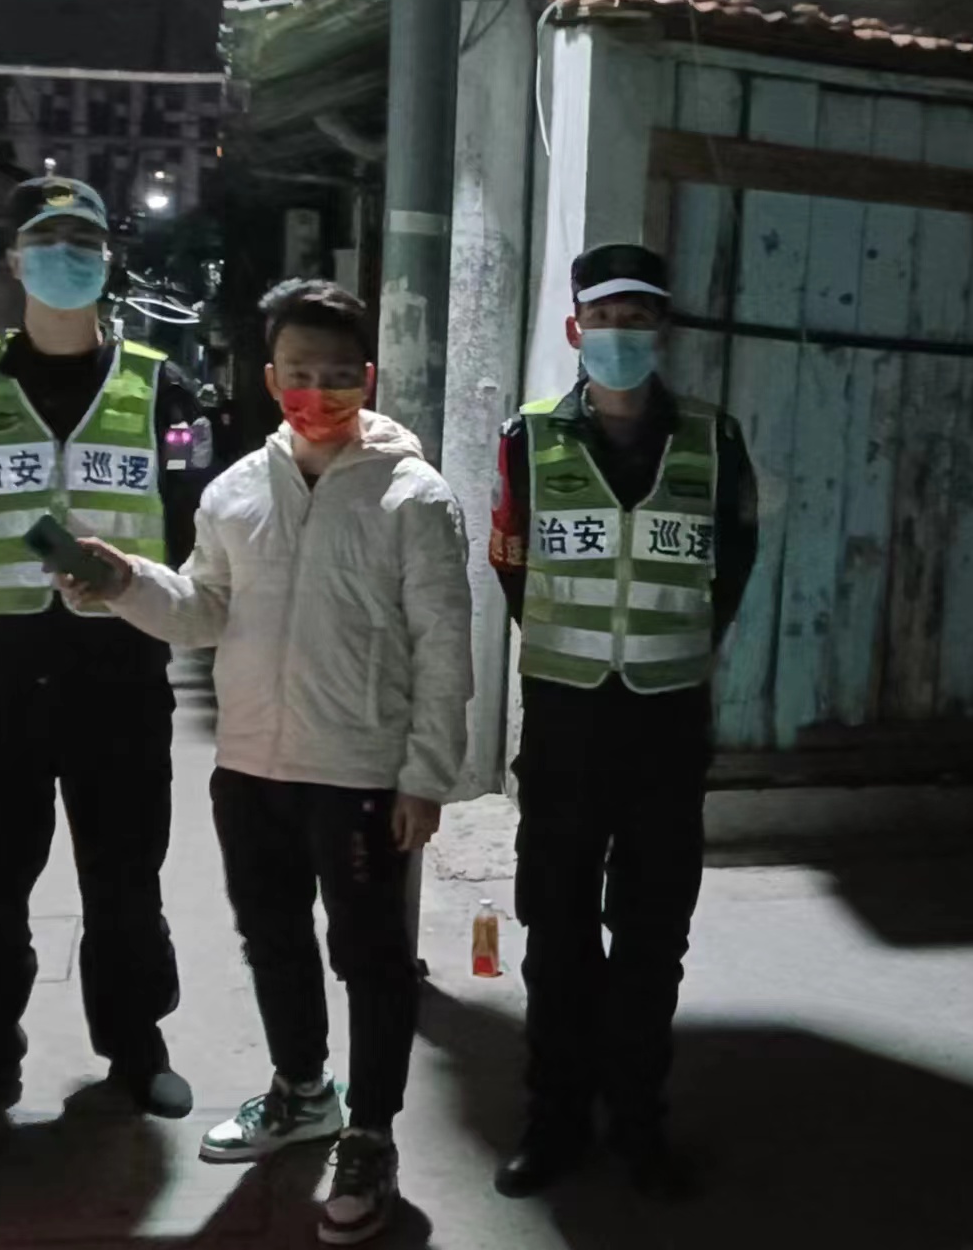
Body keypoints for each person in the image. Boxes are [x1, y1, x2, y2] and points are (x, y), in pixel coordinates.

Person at [64, 279, 471, 1248]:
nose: (316, 392)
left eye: (337, 374)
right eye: (297, 372)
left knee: (370, 956)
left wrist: (426, 775)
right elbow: (202, 609)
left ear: (368, 377)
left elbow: (444, 646)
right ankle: (302, 1092)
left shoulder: (414, 496)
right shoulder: (235, 491)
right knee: (272, 937)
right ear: (268, 376)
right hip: (251, 765)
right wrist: (123, 583)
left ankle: (370, 1132)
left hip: (361, 772)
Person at [0, 177, 205, 1124]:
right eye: (47, 240)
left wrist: (130, 583)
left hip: (120, 681)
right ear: (15, 257)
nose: (66, 257)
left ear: (108, 260)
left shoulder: (164, 387)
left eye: (84, 241)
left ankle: (135, 1046)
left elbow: (191, 520)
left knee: (125, 881)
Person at [487, 243, 759, 1199]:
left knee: (652, 937)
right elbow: (512, 562)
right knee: (556, 932)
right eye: (604, 320)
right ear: (576, 330)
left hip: (666, 728)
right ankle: (554, 1120)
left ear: (661, 332)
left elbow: (734, 563)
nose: (620, 335)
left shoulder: (715, 439)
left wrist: (669, 646)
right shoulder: (528, 437)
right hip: (565, 724)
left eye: (637, 320)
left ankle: (639, 1123)